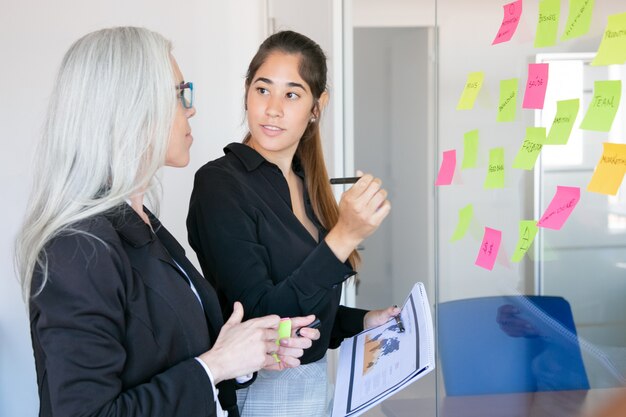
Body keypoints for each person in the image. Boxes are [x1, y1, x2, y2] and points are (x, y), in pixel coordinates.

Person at [14, 26, 320, 417]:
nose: (190, 108)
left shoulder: (142, 224)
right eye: (179, 94)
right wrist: (218, 364)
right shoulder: (78, 248)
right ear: (132, 108)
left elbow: (168, 354)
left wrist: (247, 354)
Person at [187, 30, 400, 417]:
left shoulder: (307, 184)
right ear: (246, 92)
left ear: (317, 106)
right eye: (262, 89)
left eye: (292, 94)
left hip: (313, 387)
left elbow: (308, 311)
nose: (272, 108)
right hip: (261, 394)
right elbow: (263, 317)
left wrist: (364, 320)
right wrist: (343, 236)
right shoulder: (219, 184)